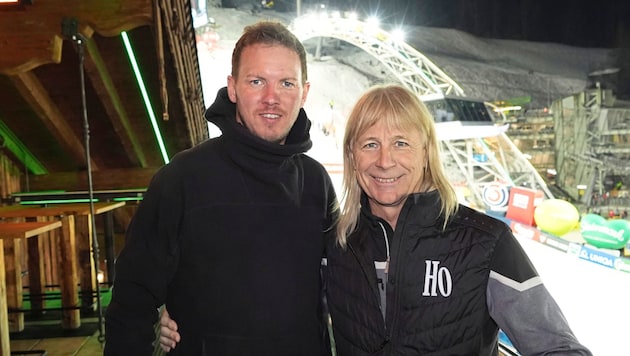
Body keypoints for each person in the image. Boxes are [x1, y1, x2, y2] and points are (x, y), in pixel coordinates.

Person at [104, 20, 337, 355]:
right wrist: (156, 321)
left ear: (304, 92)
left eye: (286, 83)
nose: (272, 98)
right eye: (257, 81)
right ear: (232, 87)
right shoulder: (181, 179)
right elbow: (133, 299)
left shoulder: (317, 182)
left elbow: (346, 284)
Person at [324, 84, 592, 355]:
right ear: (351, 155)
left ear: (426, 152)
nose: (384, 160)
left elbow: (559, 348)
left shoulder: (485, 242)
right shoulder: (335, 245)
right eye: (370, 144)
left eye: (401, 143)